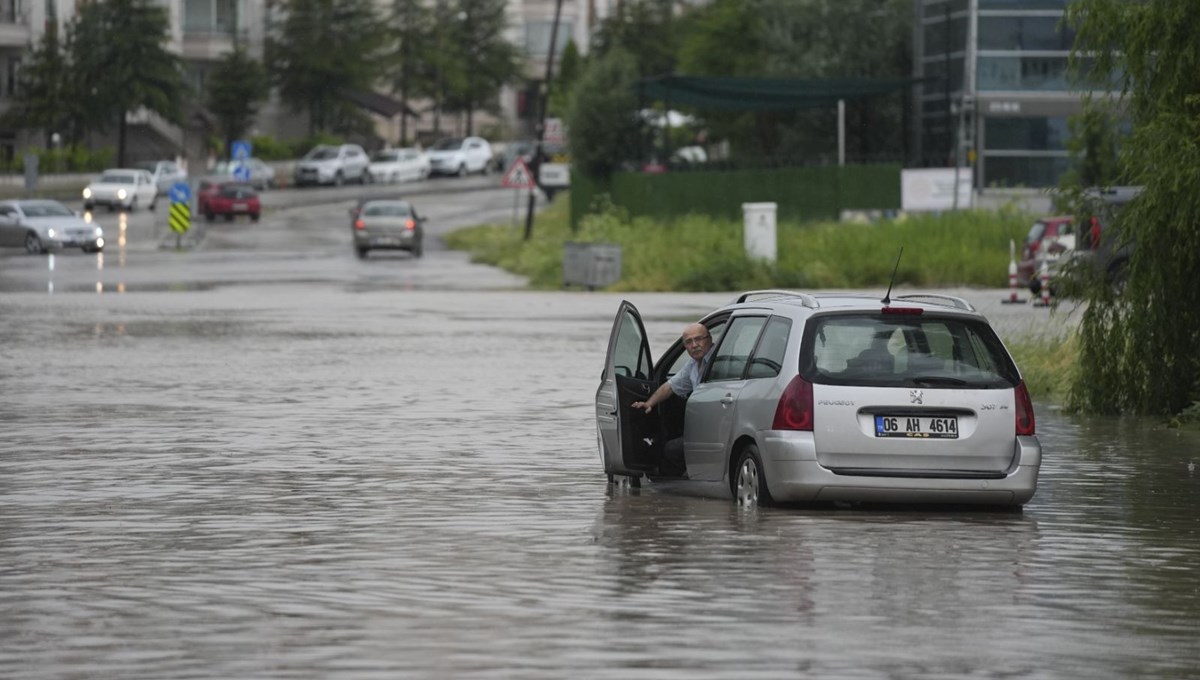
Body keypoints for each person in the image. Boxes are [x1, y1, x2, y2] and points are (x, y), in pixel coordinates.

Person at [630, 322, 714, 477]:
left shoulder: (717, 360)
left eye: (699, 339)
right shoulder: (693, 365)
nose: (694, 345)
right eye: (688, 342)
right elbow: (669, 386)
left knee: (671, 450)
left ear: (709, 339)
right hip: (703, 428)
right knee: (671, 448)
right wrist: (649, 403)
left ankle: (690, 480)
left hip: (716, 428)